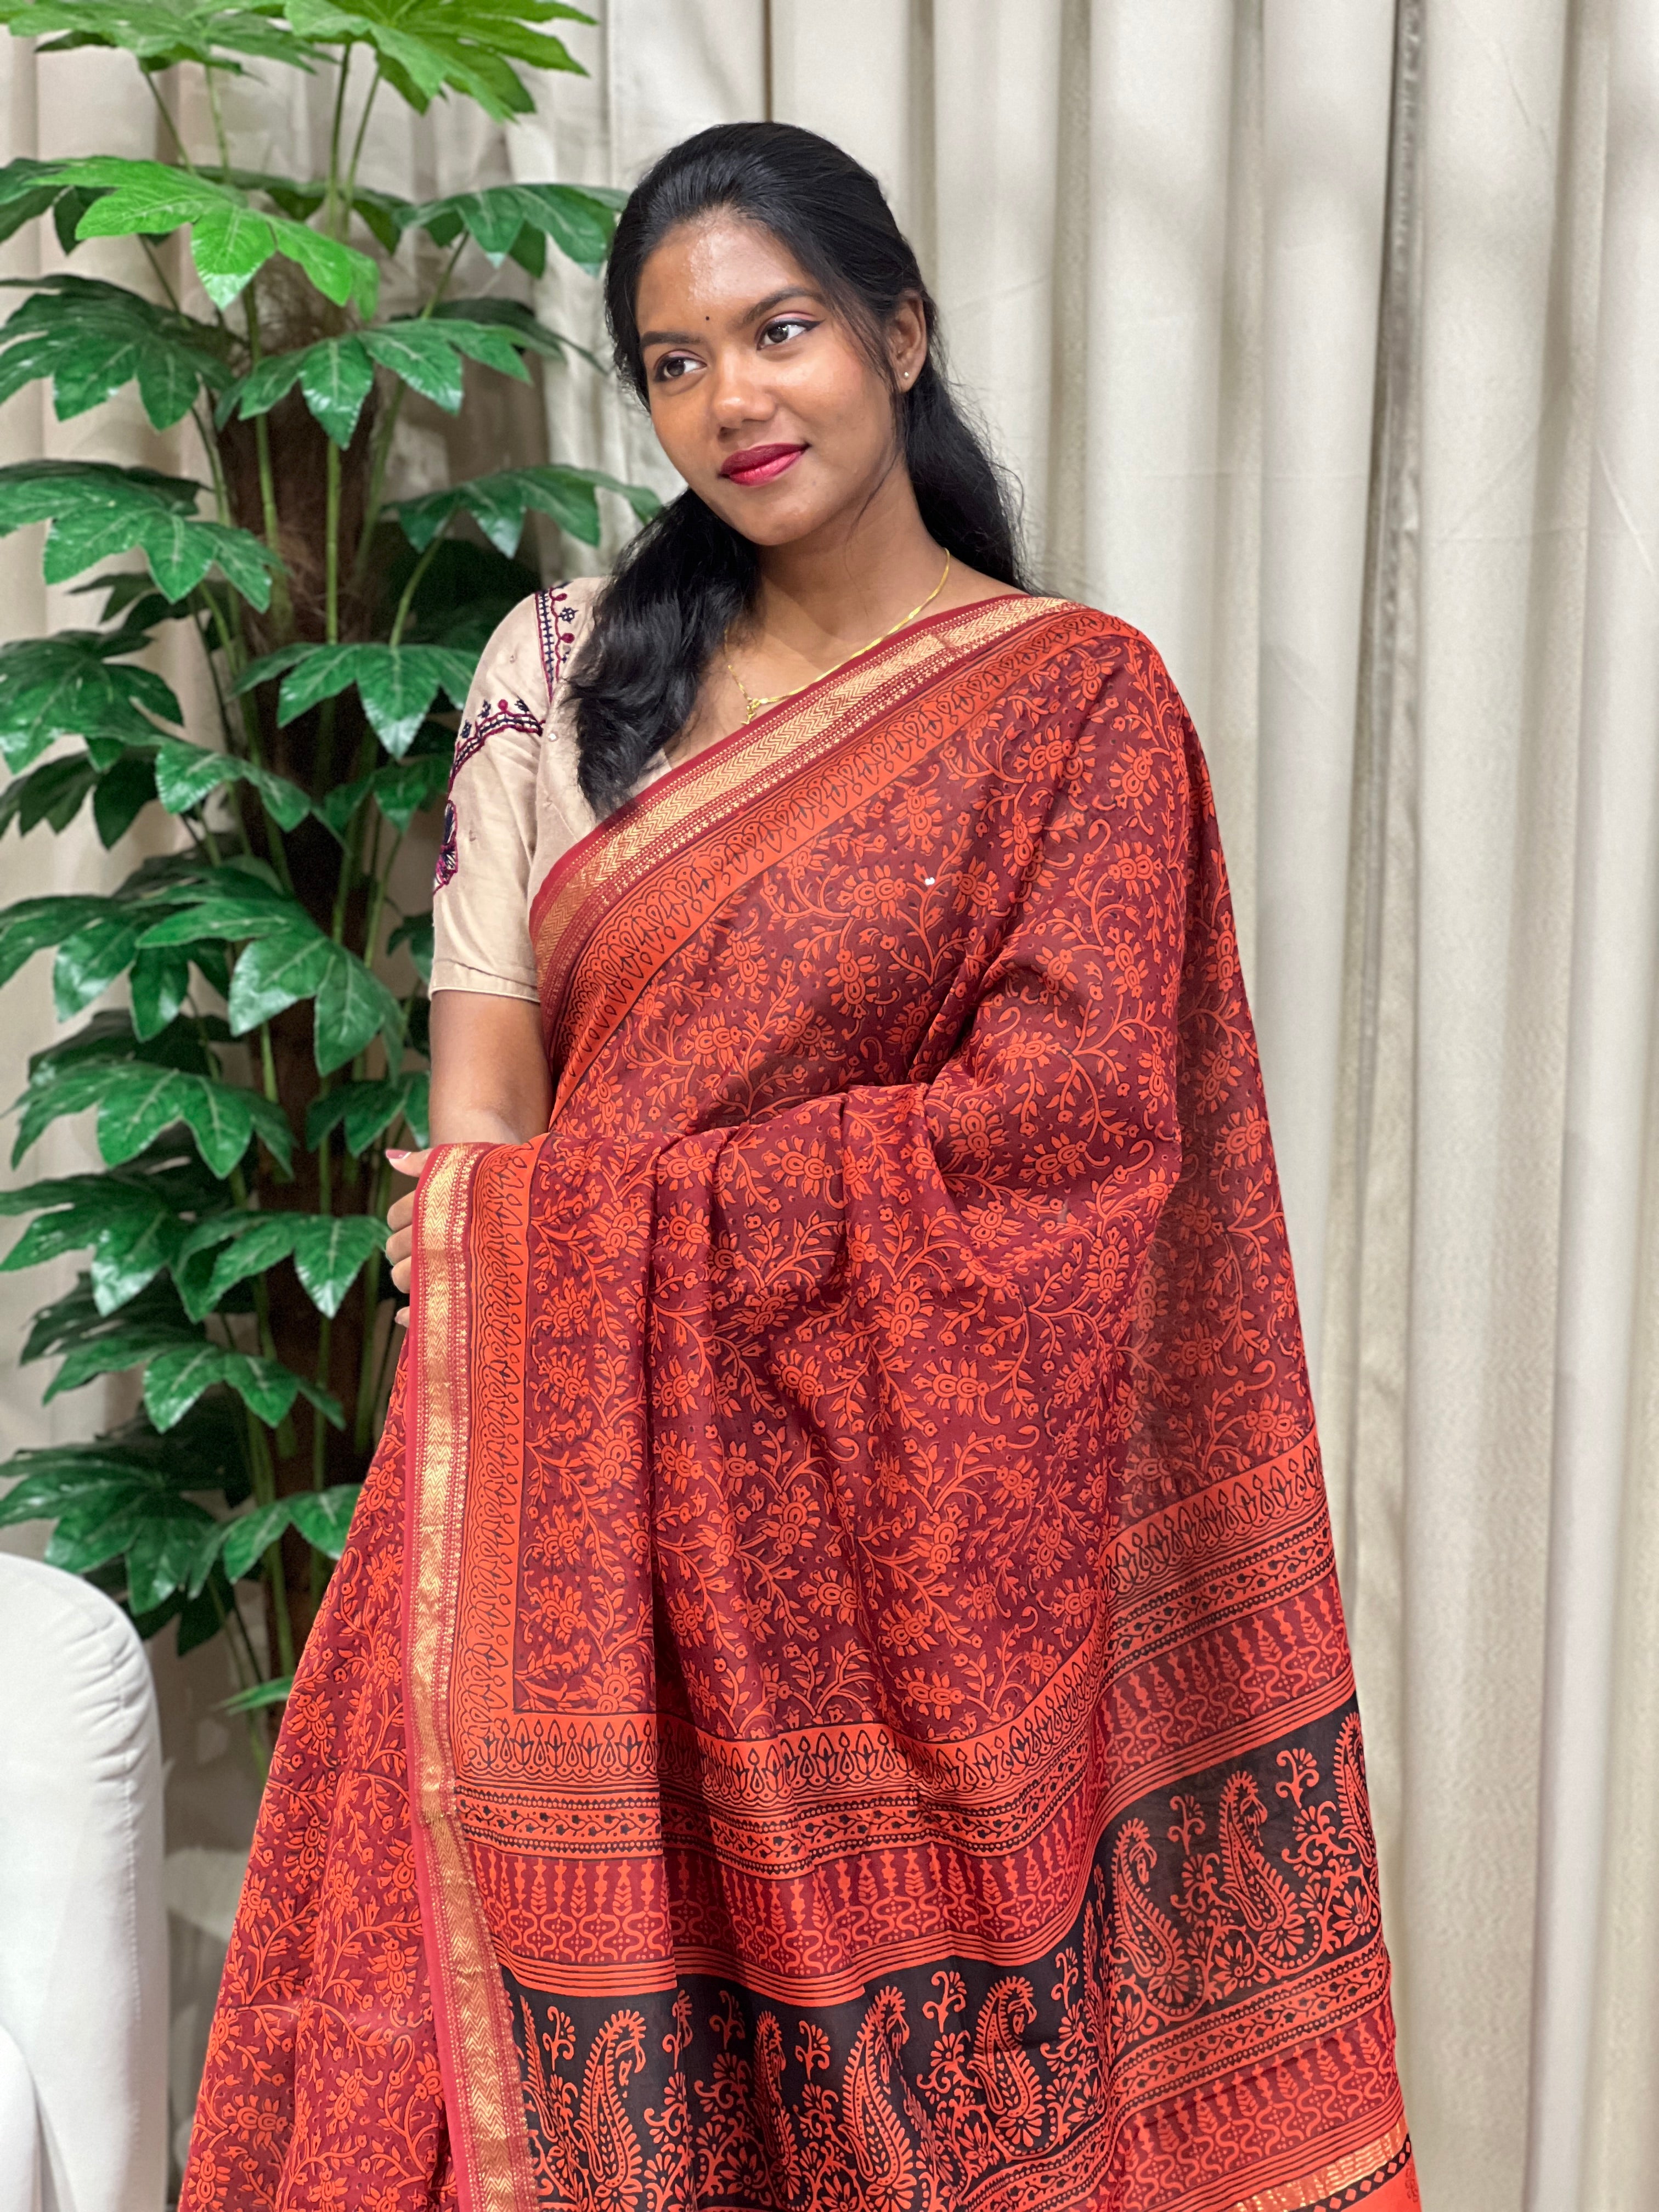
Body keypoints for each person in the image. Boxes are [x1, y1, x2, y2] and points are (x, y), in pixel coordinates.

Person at [182, 122, 1417, 2212]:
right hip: (556, 1515)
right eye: (674, 365)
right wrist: (518, 1253)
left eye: (781, 333)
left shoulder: (1076, 708)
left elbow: (1069, 1149)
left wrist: (584, 1236)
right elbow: (489, 1122)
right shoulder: (556, 674)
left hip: (889, 1555)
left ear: (897, 337)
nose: (734, 401)